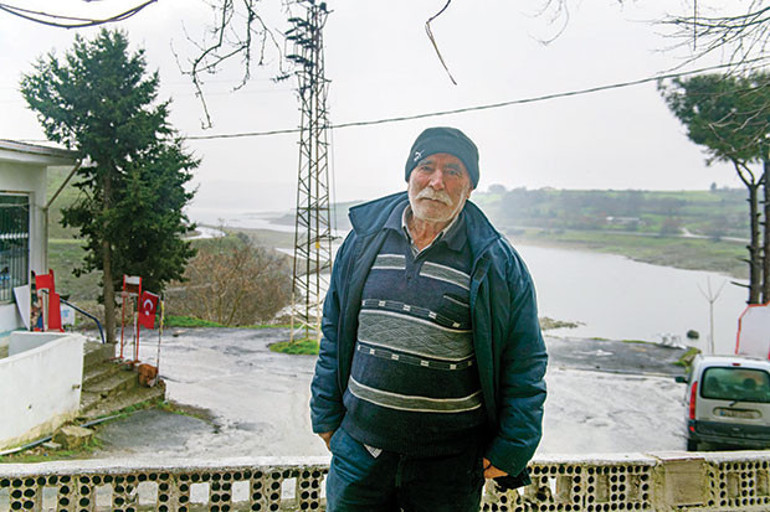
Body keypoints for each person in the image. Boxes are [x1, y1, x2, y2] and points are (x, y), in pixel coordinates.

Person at [310, 126, 548, 511]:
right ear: (410, 176)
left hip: (449, 467)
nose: (437, 181)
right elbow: (334, 332)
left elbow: (525, 361)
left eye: (453, 171)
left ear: (469, 188)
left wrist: (512, 447)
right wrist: (325, 418)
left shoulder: (497, 262)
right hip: (359, 455)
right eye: (427, 167)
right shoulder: (363, 242)